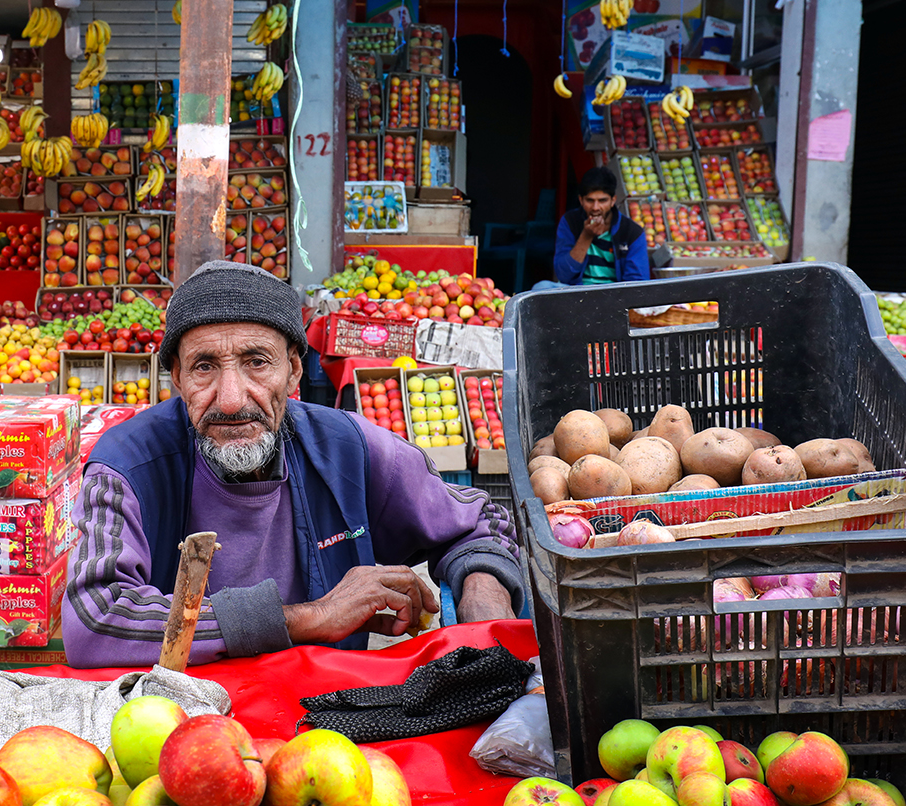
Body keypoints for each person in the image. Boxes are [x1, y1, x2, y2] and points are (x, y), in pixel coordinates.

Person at [63, 260, 524, 668]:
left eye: (256, 362)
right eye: (204, 367)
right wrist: (312, 617)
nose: (230, 399)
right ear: (178, 378)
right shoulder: (128, 466)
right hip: (178, 725)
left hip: (328, 725)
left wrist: (484, 585)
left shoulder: (347, 447)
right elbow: (95, 619)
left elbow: (477, 520)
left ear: (294, 370)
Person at [537, 166, 649, 289]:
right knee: (541, 287)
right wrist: (586, 236)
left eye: (602, 201)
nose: (595, 207)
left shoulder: (632, 231)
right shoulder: (570, 221)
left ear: (613, 201)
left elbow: (638, 284)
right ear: (581, 200)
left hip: (614, 296)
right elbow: (563, 275)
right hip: (576, 293)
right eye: (590, 201)